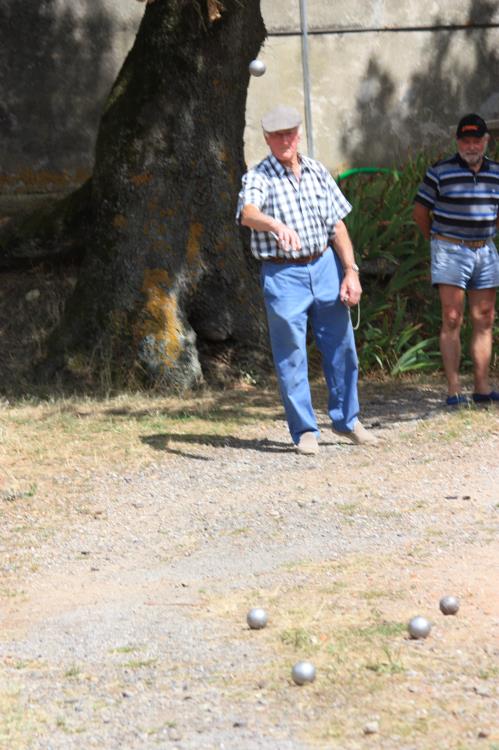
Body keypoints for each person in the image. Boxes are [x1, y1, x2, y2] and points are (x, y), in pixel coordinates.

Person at [236, 104, 377, 455]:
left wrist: (350, 271)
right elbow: (248, 213)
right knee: (291, 354)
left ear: (299, 135)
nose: (285, 141)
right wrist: (276, 225)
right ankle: (305, 432)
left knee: (342, 346)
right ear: (268, 140)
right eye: (277, 136)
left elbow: (337, 225)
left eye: (290, 134)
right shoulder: (258, 176)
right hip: (282, 273)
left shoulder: (316, 171)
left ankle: (348, 421)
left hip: (325, 266)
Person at [413, 113, 499, 406]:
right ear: (458, 141)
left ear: (486, 141)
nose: (472, 146)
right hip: (450, 249)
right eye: (466, 141)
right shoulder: (439, 172)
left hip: (485, 250)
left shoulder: (496, 173)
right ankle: (453, 390)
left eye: (477, 140)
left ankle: (482, 386)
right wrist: (437, 241)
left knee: (485, 318)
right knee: (452, 318)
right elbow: (420, 213)